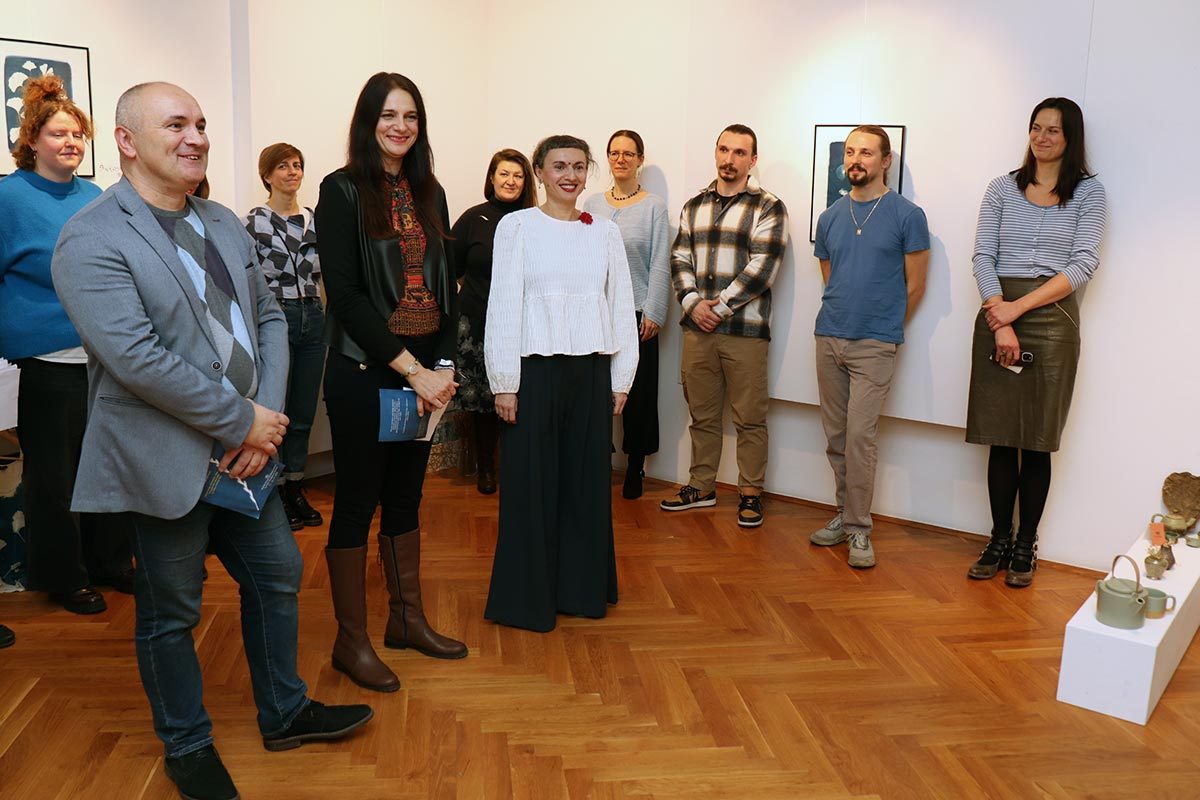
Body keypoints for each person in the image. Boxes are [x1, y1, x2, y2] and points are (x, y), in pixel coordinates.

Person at [52, 82, 372, 800]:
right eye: (176, 124)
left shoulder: (224, 220)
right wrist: (240, 421)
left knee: (278, 575)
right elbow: (136, 359)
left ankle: (285, 712)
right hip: (167, 461)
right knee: (172, 610)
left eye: (199, 123)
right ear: (127, 140)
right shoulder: (92, 236)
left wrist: (265, 418)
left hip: (248, 457)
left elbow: (270, 318)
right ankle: (187, 743)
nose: (196, 137)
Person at [316, 72, 467, 694]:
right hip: (366, 370)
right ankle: (350, 643)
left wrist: (444, 367)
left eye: (410, 116)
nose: (400, 126)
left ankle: (406, 620)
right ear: (367, 122)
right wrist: (412, 370)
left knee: (406, 498)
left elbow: (446, 288)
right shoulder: (341, 190)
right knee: (358, 501)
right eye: (388, 115)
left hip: (425, 376)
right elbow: (346, 296)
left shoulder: (432, 191)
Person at [484, 134, 638, 632]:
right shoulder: (516, 227)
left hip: (590, 371)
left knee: (585, 484)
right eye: (558, 166)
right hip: (533, 372)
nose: (569, 175)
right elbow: (503, 303)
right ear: (540, 172)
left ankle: (580, 589)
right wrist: (504, 382)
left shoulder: (604, 232)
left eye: (577, 166)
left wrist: (622, 376)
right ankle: (527, 599)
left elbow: (620, 303)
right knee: (530, 484)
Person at [0, 74, 132, 614]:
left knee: (108, 466)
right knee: (56, 478)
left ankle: (110, 562)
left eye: (78, 134)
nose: (71, 142)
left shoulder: (94, 197)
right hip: (45, 361)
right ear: (32, 140)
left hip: (103, 356)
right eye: (59, 133)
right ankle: (64, 577)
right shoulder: (8, 198)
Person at [965, 97, 1106, 587]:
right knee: (1001, 437)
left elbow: (1082, 264)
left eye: (1054, 131)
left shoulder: (1089, 192)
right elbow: (983, 256)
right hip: (997, 311)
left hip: (1052, 316)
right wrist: (999, 317)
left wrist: (1017, 310)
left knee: (1037, 440)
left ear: (1071, 138)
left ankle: (1027, 544)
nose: (1042, 138)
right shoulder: (1001, 188)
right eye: (1036, 128)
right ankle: (998, 539)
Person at [808, 125, 930, 569]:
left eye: (866, 152)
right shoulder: (830, 217)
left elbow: (915, 286)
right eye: (850, 152)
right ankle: (844, 515)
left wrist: (883, 327)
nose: (855, 160)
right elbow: (830, 276)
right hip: (829, 337)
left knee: (860, 437)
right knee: (836, 436)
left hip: (875, 344)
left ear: (886, 161)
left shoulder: (908, 215)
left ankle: (860, 528)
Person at [660, 124, 789, 527]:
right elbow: (679, 259)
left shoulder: (768, 207)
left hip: (745, 332)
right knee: (702, 415)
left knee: (750, 418)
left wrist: (719, 307)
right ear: (715, 152)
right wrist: (692, 303)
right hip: (697, 331)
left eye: (739, 153)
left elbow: (764, 266)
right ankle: (702, 487)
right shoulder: (693, 205)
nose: (729, 159)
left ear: (753, 160)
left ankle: (750, 493)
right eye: (723, 150)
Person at [583, 130, 670, 499]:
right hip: (597, 313)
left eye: (628, 153)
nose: (621, 159)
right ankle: (598, 461)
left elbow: (660, 261)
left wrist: (654, 310)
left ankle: (636, 465)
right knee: (596, 391)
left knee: (639, 392)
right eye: (614, 153)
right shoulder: (591, 203)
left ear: (640, 160)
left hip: (637, 313)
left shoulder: (654, 207)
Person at [245, 142, 325, 530]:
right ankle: (274, 492)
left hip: (313, 314)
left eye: (297, 165)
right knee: (276, 411)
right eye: (283, 166)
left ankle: (295, 486)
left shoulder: (314, 219)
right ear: (267, 175)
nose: (292, 172)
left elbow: (325, 276)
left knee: (304, 411)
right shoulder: (253, 222)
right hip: (276, 317)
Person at [451, 148, 537, 495]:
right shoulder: (474, 218)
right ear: (492, 178)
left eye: (517, 175)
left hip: (525, 325)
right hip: (477, 323)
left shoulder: (535, 220)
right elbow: (451, 268)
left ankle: (518, 465)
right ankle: (486, 466)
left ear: (526, 181)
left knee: (523, 395)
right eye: (504, 174)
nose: (510, 181)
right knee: (484, 400)